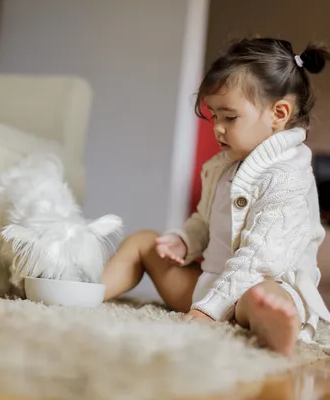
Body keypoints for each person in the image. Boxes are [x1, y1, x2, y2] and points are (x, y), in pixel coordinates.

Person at [101, 37, 330, 357]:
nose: (218, 129)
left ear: (278, 113)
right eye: (214, 116)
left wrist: (208, 312)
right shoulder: (223, 166)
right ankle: (89, 292)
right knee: (143, 242)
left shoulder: (287, 176)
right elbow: (204, 220)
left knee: (264, 295)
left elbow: (260, 259)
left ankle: (277, 327)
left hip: (257, 285)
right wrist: (184, 241)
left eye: (230, 117)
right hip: (210, 286)